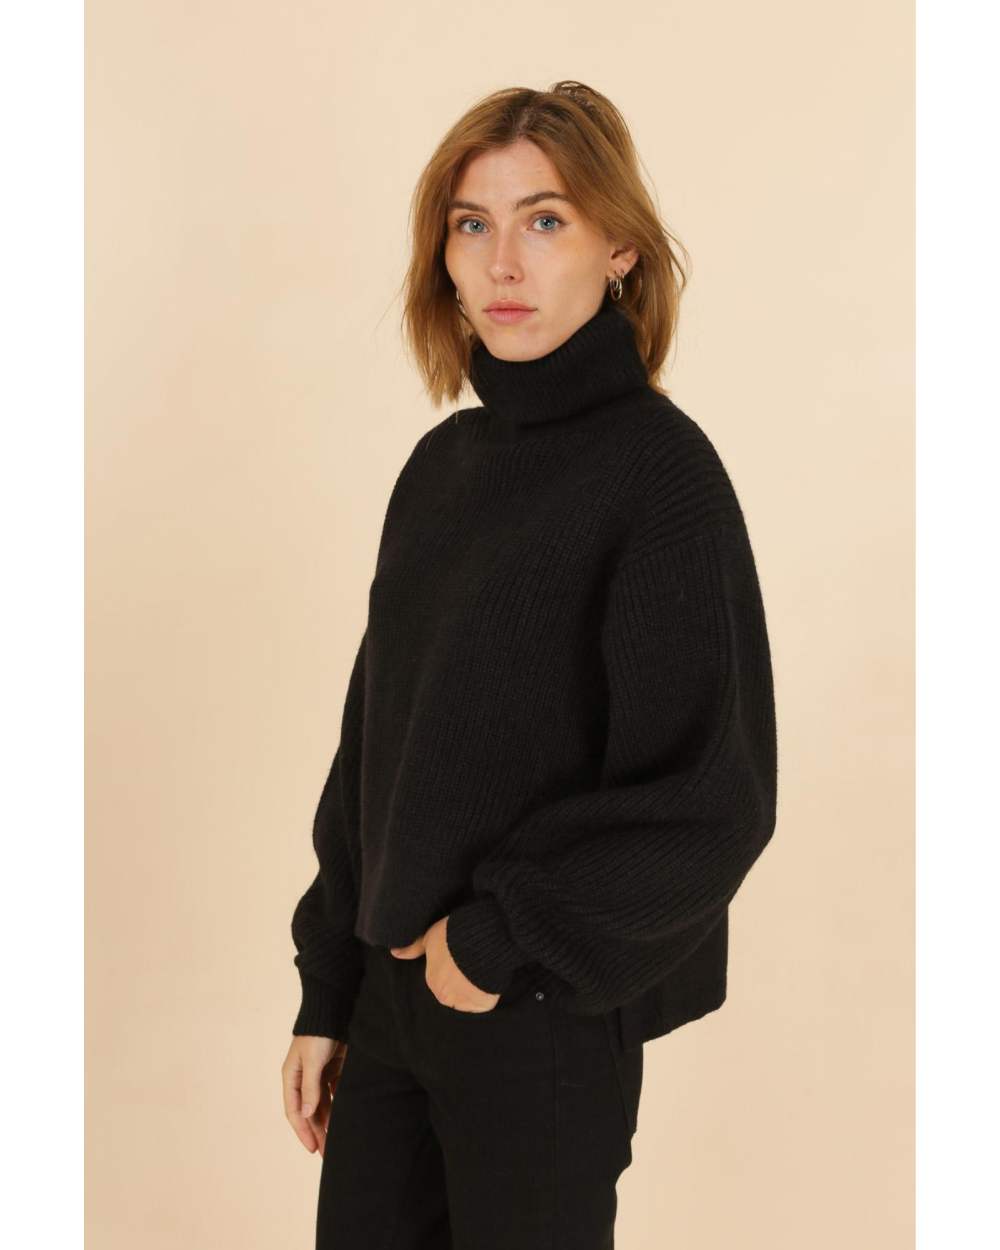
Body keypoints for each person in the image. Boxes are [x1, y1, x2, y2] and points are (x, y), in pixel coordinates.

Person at [280, 80, 778, 1250]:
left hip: (537, 1007)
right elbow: (374, 750)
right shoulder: (440, 468)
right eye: (472, 223)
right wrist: (330, 989)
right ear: (443, 255)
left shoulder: (660, 475)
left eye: (545, 219)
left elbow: (715, 798)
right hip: (392, 1003)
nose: (503, 260)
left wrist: (502, 936)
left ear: (619, 249)